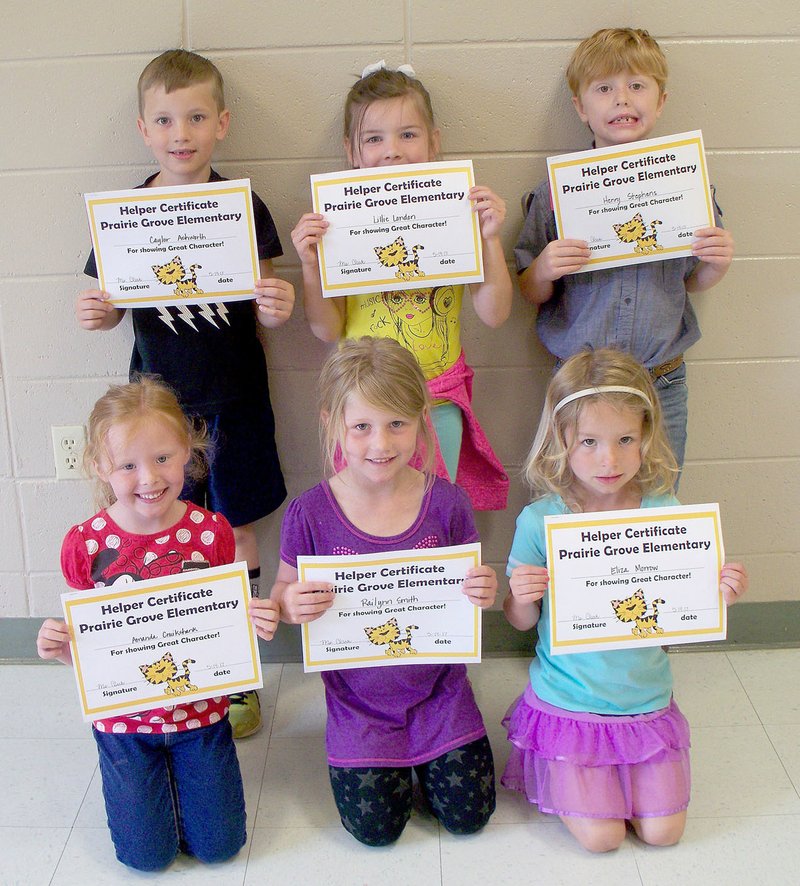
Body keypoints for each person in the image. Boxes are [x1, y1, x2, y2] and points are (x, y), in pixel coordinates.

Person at [75, 49, 293, 737]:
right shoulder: (126, 214)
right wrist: (100, 311)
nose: (182, 132)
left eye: (197, 116)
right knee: (163, 532)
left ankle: (236, 676)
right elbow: (111, 301)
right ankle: (179, 658)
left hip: (235, 400)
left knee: (235, 532)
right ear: (144, 129)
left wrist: (280, 303)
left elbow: (265, 299)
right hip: (156, 415)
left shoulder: (242, 206)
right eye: (166, 119)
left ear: (221, 123)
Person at [250, 336, 497, 845]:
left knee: (469, 817)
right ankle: (392, 762)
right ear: (332, 424)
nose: (380, 444)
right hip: (358, 704)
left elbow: (470, 584)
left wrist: (483, 586)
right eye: (361, 427)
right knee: (377, 831)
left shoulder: (447, 502)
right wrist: (289, 604)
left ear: (421, 418)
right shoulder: (310, 512)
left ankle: (428, 757)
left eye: (397, 424)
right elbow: (280, 594)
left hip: (439, 693)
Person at [501, 348, 748, 852]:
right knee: (602, 838)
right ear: (561, 439)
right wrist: (522, 597)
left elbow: (684, 602)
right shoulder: (540, 520)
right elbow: (520, 621)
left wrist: (719, 588)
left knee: (663, 833)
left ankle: (620, 776)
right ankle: (568, 768)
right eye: (588, 441)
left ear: (646, 438)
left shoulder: (665, 509)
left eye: (624, 440)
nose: (608, 459)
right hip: (572, 702)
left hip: (645, 701)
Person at [36, 378, 281, 871]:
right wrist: (62, 647)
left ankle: (184, 780)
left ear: (189, 451)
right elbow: (91, 644)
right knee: (146, 858)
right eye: (128, 465)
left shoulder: (210, 533)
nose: (148, 478)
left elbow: (222, 621)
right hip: (125, 723)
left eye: (163, 458)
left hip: (201, 717)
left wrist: (252, 619)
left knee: (220, 848)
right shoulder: (85, 543)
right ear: (100, 466)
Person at [291, 61, 512, 509]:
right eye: (374, 139)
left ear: (435, 142)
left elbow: (494, 313)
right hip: (363, 409)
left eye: (408, 134)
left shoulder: (460, 211)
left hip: (435, 401)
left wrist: (489, 240)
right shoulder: (338, 221)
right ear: (351, 152)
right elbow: (327, 329)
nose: (391, 151)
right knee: (365, 516)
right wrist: (311, 265)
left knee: (434, 511)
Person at [515, 28, 734, 469]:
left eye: (637, 86)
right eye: (604, 88)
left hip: (662, 383)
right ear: (580, 107)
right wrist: (543, 268)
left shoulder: (687, 187)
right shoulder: (555, 194)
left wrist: (717, 262)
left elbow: (693, 281)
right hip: (579, 384)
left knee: (657, 501)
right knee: (577, 504)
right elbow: (529, 291)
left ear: (660, 101)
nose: (622, 100)